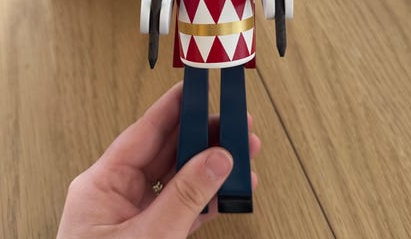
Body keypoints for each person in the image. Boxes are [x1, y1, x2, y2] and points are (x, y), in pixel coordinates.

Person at [57, 82, 261, 238]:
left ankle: (235, 191)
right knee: (202, 94)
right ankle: (235, 190)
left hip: (218, 49)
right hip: (203, 50)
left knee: (215, 93)